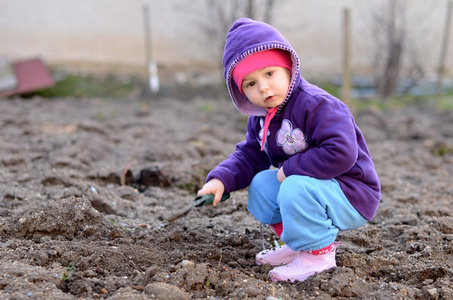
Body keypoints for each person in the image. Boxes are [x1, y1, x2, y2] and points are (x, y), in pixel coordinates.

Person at [197, 17, 381, 283]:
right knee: (262, 184)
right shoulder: (262, 118)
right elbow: (250, 155)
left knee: (294, 186)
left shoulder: (317, 105)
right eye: (250, 83)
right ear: (241, 92)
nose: (263, 87)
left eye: (269, 73)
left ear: (287, 67)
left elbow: (341, 151)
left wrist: (290, 169)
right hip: (313, 190)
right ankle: (300, 243)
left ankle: (319, 255)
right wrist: (220, 179)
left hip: (351, 193)